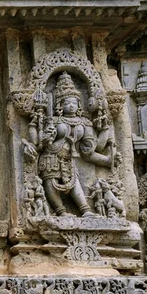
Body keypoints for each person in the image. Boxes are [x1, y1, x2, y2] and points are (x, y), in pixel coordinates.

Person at [26, 72, 115, 217]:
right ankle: (61, 211)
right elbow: (38, 141)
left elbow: (92, 149)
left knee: (74, 183)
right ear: (60, 105)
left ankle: (85, 210)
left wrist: (105, 130)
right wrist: (46, 136)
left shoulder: (84, 122)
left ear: (79, 104)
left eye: (74, 102)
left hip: (69, 157)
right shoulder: (53, 120)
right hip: (51, 155)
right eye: (67, 103)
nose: (71, 106)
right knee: (50, 182)